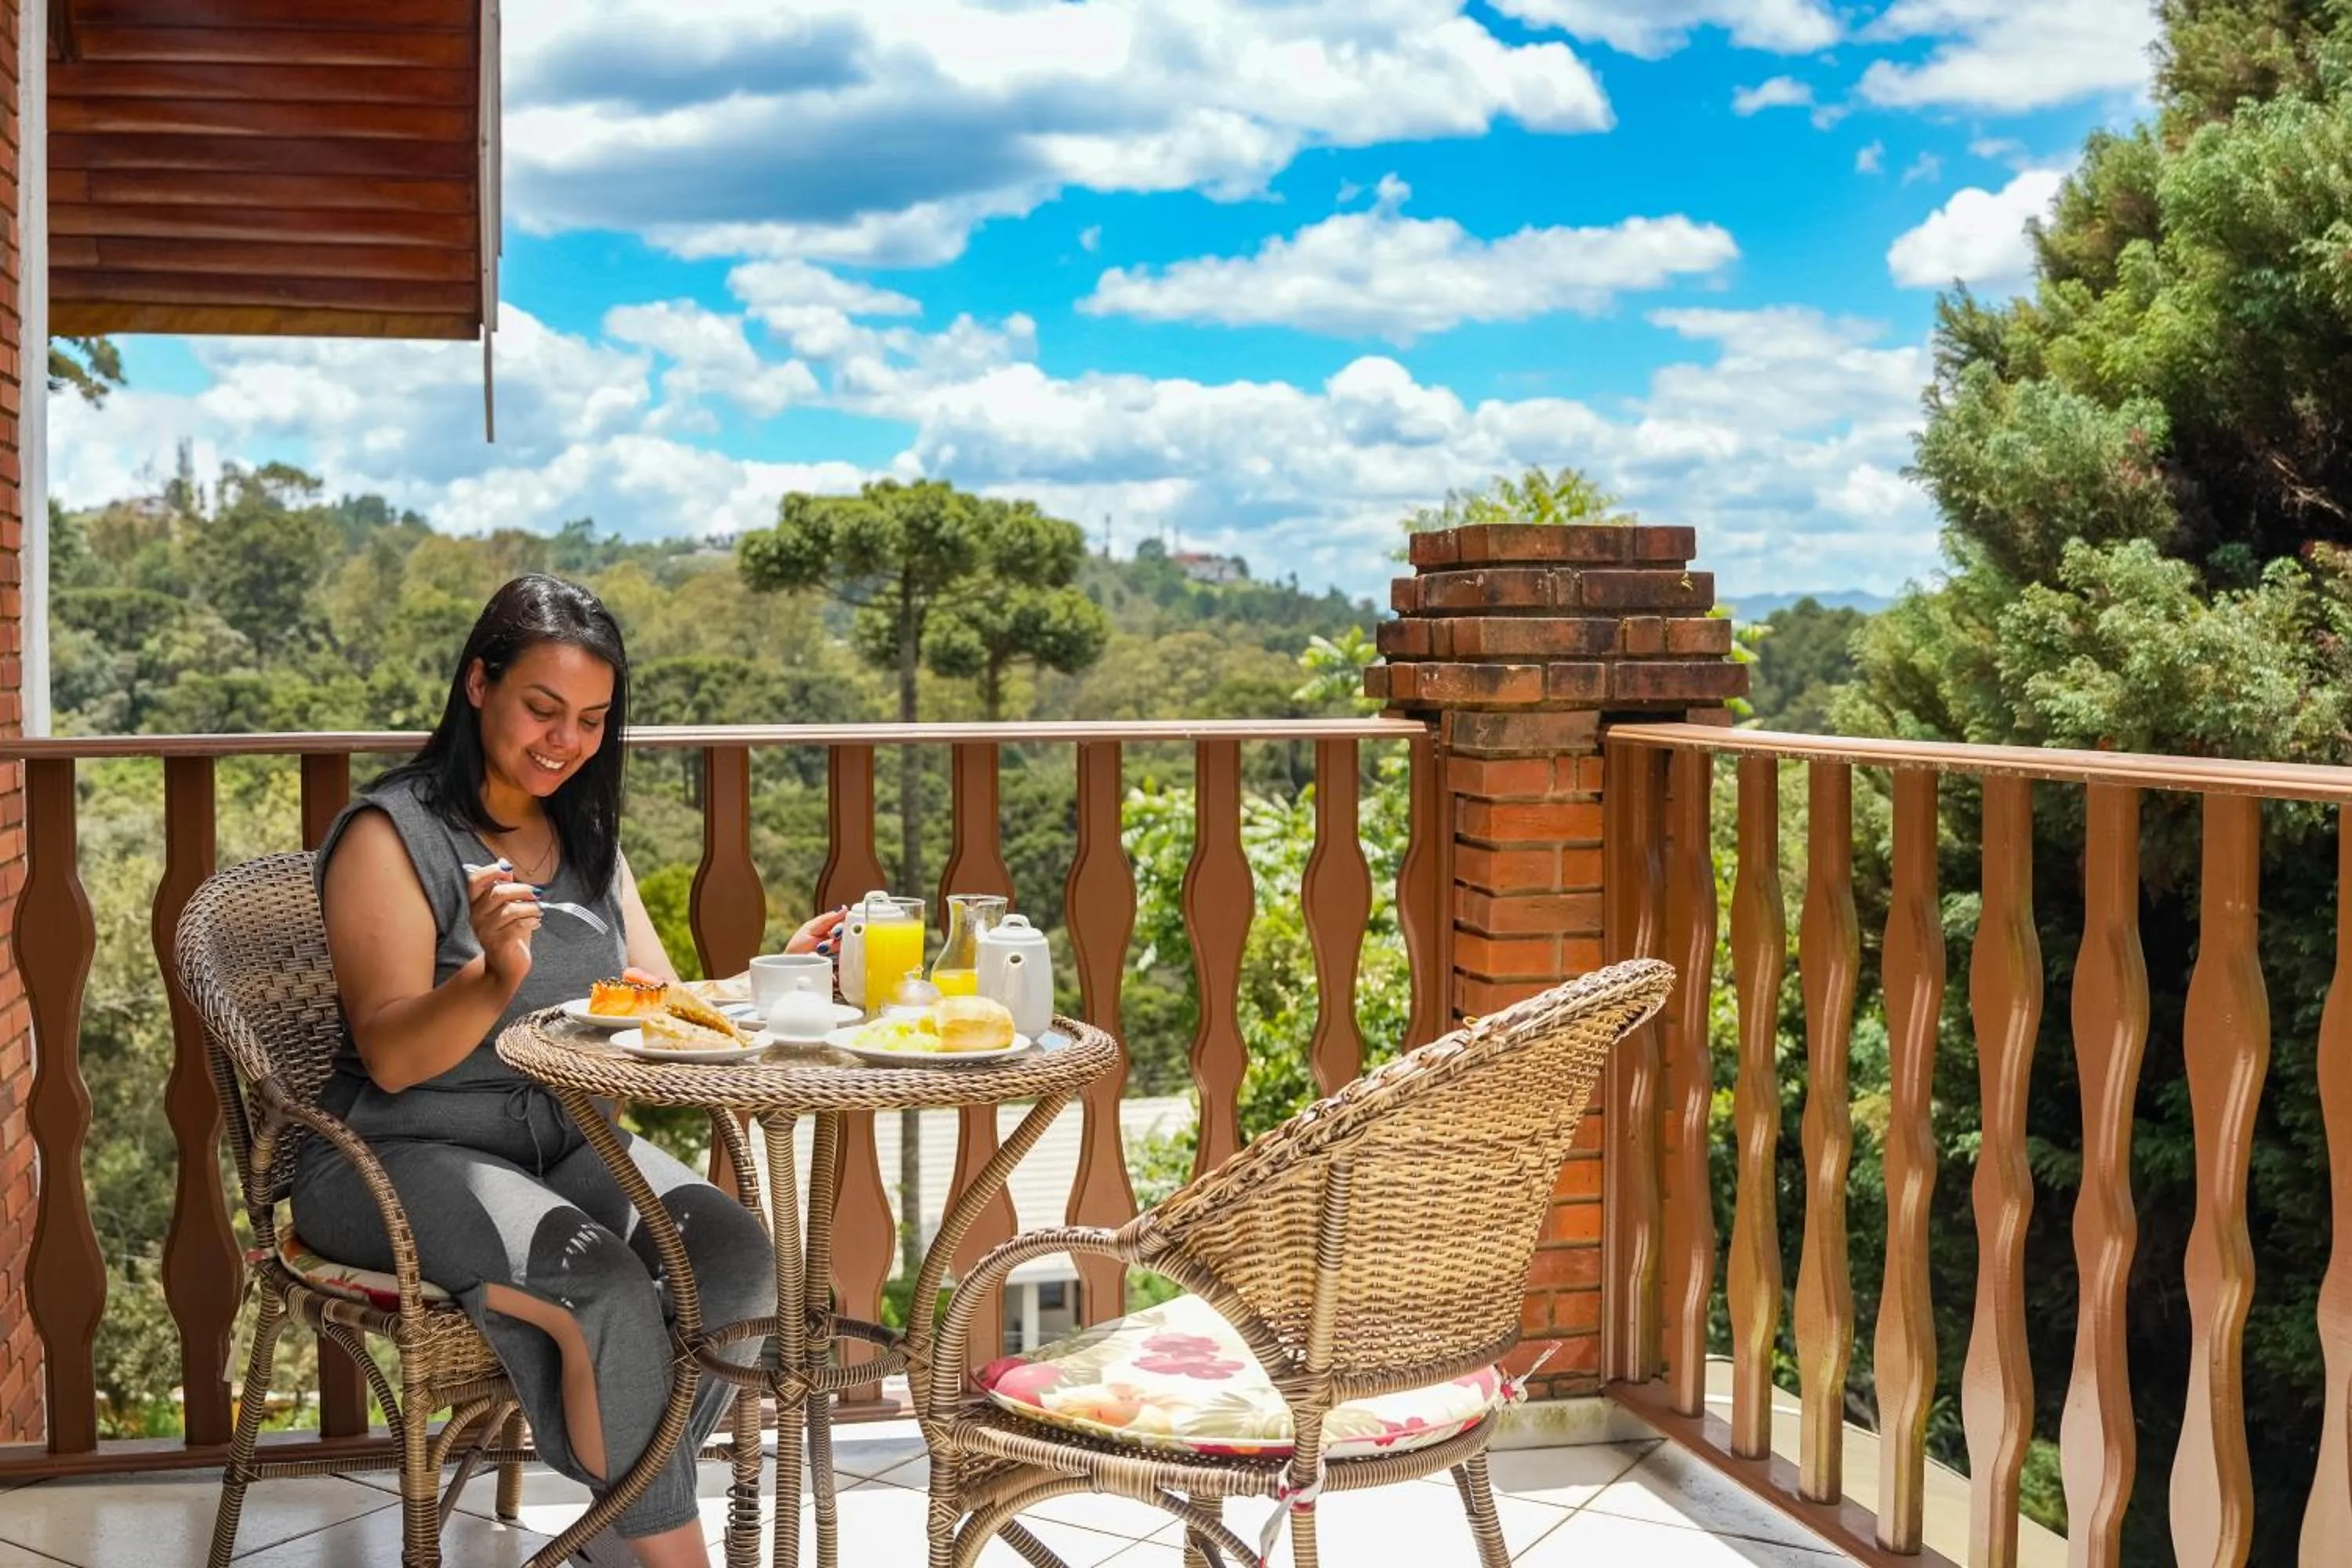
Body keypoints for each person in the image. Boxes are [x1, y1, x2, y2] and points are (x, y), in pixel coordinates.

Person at [293, 575, 843, 1568]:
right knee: (601, 1283)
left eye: (591, 719)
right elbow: (393, 1054)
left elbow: (658, 999)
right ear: (479, 683)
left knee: (736, 1259)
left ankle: (613, 1529)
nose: (564, 740)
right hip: (393, 1151)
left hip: (564, 1138)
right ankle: (668, 1556)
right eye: (542, 707)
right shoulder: (390, 834)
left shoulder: (583, 835)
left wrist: (778, 973)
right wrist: (492, 974)